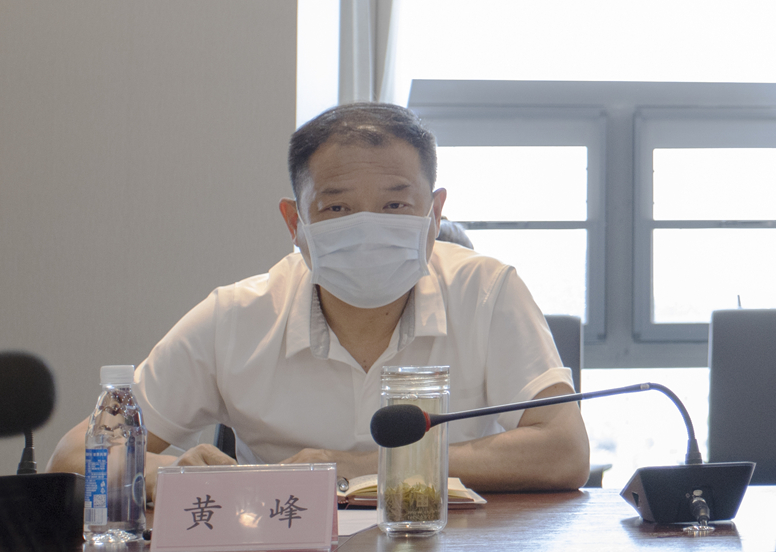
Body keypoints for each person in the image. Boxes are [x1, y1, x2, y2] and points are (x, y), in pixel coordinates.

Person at [47, 102, 589, 498]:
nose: (369, 229)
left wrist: (361, 466)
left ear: (435, 212)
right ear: (295, 222)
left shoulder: (487, 291)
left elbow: (564, 451)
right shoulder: (235, 317)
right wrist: (171, 473)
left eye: (396, 206)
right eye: (337, 209)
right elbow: (74, 456)